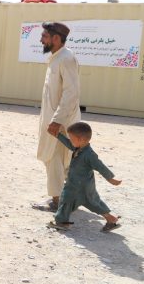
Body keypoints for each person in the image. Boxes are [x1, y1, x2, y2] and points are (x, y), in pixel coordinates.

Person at [33, 22, 82, 213]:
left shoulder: (66, 58)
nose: (41, 40)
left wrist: (57, 120)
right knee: (59, 160)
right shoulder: (56, 57)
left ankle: (57, 201)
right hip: (53, 120)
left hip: (61, 122)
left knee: (55, 159)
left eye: (44, 36)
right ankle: (66, 198)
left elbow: (71, 93)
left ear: (56, 38)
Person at [46, 122, 122, 233]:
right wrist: (58, 135)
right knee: (93, 203)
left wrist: (111, 179)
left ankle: (62, 222)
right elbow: (69, 144)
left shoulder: (89, 155)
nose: (70, 141)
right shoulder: (79, 147)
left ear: (80, 139)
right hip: (85, 186)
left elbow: (100, 166)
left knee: (65, 200)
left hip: (76, 186)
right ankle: (111, 219)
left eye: (72, 138)